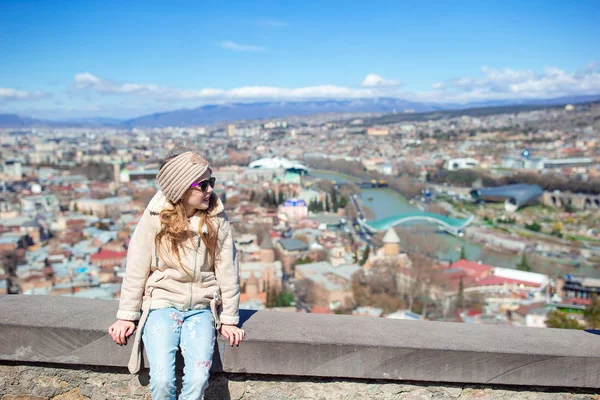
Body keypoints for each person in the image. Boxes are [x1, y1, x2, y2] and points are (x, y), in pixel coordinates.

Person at [108, 149, 245, 399]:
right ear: (180, 188)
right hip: (162, 305)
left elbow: (228, 269)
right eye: (202, 184)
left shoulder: (217, 219)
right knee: (160, 381)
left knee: (198, 378)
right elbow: (137, 267)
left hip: (202, 308)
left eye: (210, 182)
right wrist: (127, 315)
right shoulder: (154, 217)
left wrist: (229, 318)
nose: (209, 190)